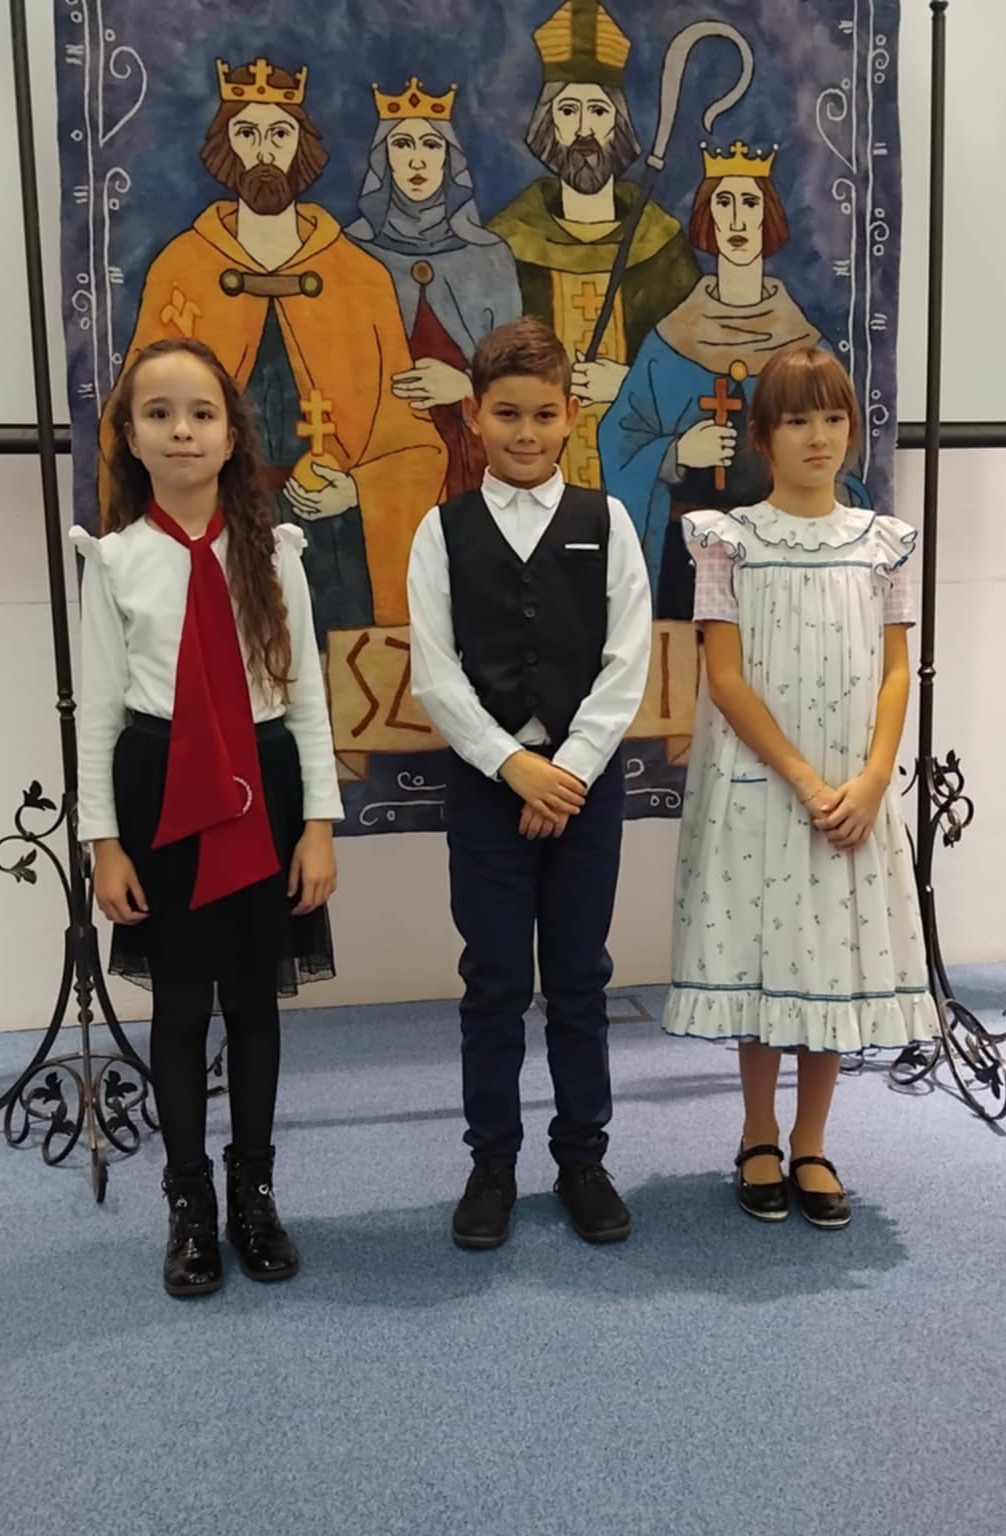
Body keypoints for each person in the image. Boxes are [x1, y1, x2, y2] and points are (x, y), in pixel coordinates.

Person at [73, 338, 343, 1297]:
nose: (181, 430)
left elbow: (306, 699)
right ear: (129, 437)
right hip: (164, 791)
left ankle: (252, 1198)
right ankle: (187, 1205)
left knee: (255, 1007)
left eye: (201, 413)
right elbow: (101, 714)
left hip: (264, 787)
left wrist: (318, 824)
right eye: (159, 414)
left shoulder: (276, 554)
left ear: (232, 436)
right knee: (183, 1009)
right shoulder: (114, 564)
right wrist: (105, 844)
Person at [663, 344, 941, 1229]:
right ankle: (757, 1134)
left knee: (829, 955)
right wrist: (803, 779)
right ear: (762, 437)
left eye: (833, 418)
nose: (819, 437)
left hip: (852, 795)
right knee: (763, 954)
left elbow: (895, 673)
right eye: (796, 420)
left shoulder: (884, 544)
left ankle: (812, 1141)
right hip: (762, 784)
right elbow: (725, 677)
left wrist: (872, 781)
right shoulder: (726, 540)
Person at [406, 317, 653, 1249]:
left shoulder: (607, 521)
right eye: (506, 413)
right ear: (474, 414)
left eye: (543, 414)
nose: (524, 431)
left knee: (581, 980)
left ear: (570, 416)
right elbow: (436, 674)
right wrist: (514, 766)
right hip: (488, 787)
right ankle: (493, 1164)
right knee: (494, 981)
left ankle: (583, 1158)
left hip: (584, 794)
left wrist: (569, 771)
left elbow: (626, 661)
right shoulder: (441, 531)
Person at [114, 57, 446, 640]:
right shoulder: (183, 270)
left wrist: (358, 490)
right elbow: (127, 419)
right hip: (213, 527)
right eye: (247, 133)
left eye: (280, 134)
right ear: (226, 148)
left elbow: (408, 436)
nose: (264, 151)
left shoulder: (359, 278)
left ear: (302, 148)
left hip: (335, 538)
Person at [597, 143, 857, 620]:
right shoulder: (671, 341)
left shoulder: (803, 346)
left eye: (750, 203)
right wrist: (676, 453)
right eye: (724, 202)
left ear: (768, 216)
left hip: (779, 560)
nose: (737, 220)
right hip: (685, 563)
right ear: (707, 217)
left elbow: (844, 469)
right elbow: (617, 440)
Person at [486, 0, 700, 490]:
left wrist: (627, 385)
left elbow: (695, 382)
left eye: (598, 111)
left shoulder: (659, 246)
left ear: (617, 124)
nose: (584, 129)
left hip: (639, 493)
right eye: (568, 110)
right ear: (548, 123)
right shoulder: (507, 245)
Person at [345, 78, 523, 502]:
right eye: (402, 145)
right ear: (383, 159)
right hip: (383, 452)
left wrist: (466, 386)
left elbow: (519, 374)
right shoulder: (350, 252)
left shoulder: (488, 256)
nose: (417, 160)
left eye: (430, 145)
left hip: (472, 451)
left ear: (449, 158)